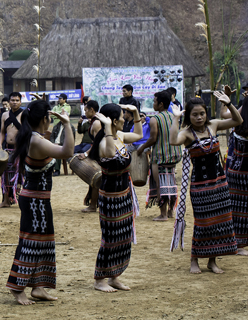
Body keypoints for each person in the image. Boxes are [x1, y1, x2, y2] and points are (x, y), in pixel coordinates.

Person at [5, 98, 74, 305]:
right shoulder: (35, 140)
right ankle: (17, 288)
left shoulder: (32, 137)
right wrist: (67, 124)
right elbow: (67, 152)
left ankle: (38, 286)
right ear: (45, 119)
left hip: (38, 199)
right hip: (35, 200)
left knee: (43, 241)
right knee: (31, 242)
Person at [169, 93, 241, 274]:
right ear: (188, 116)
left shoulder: (213, 125)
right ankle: (195, 259)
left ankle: (212, 261)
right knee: (203, 222)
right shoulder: (186, 134)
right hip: (200, 186)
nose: (199, 117)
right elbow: (172, 141)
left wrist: (229, 104)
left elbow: (237, 121)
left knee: (220, 221)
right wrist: (176, 119)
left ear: (206, 113)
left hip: (220, 182)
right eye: (195, 115)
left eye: (202, 113)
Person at [88, 103, 142, 292]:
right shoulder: (106, 141)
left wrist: (135, 113)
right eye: (122, 116)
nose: (123, 118)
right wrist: (107, 128)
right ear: (113, 121)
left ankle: (114, 275)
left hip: (124, 194)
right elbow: (111, 153)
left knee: (124, 236)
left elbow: (139, 135)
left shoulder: (119, 136)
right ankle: (100, 279)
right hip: (110, 198)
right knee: (110, 238)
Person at [137, 91, 182, 221]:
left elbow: (152, 138)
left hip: (160, 156)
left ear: (161, 104)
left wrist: (142, 148)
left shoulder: (155, 119)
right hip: (174, 154)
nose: (153, 103)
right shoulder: (173, 116)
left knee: (160, 184)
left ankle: (163, 214)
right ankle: (170, 212)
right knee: (170, 181)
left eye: (155, 101)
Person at [223, 96, 248, 255]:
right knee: (241, 209)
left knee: (238, 207)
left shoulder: (238, 124)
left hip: (235, 171)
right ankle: (239, 244)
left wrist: (228, 102)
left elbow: (225, 114)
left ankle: (237, 242)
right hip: (242, 173)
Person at [0, 92, 24, 208]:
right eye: (13, 100)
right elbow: (2, 132)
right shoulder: (4, 115)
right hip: (7, 148)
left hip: (20, 149)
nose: (15, 102)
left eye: (17, 100)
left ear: (20, 102)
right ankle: (6, 200)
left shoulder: (24, 114)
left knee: (20, 174)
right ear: (9, 101)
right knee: (5, 174)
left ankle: (20, 198)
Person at [50, 110, 76, 176]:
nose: (62, 117)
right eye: (61, 116)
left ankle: (57, 170)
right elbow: (52, 136)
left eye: (64, 116)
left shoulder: (70, 127)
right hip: (54, 145)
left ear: (68, 117)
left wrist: (59, 144)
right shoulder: (56, 126)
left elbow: (71, 140)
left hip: (63, 146)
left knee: (58, 152)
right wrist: (53, 143)